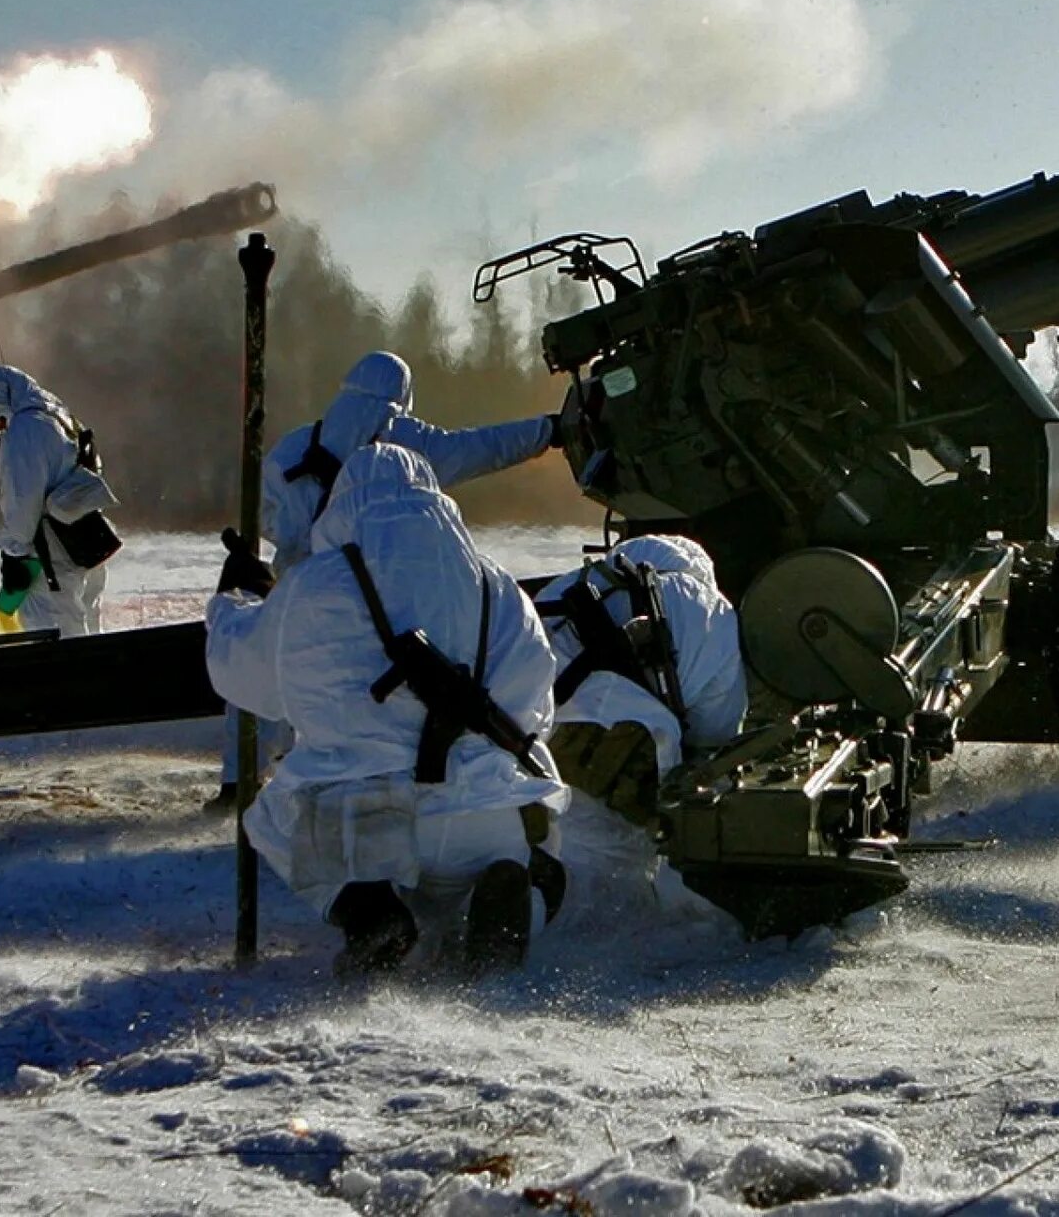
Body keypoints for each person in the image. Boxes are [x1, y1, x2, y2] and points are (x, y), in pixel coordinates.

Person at [205, 442, 567, 976]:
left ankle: (366, 909)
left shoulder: (313, 586)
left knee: (270, 817)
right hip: (484, 819)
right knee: (534, 861)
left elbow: (241, 678)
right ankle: (518, 906)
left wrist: (235, 604)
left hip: (365, 825)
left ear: (344, 505)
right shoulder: (498, 587)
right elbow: (537, 708)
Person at [535, 535, 749, 922]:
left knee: (564, 854)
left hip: (547, 748)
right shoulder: (711, 611)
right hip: (637, 752)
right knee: (620, 875)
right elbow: (715, 733)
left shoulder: (564, 587)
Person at [264, 353, 558, 572]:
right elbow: (482, 448)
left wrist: (295, 538)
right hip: (370, 590)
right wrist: (546, 431)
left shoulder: (294, 445)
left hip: (294, 590)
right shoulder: (403, 438)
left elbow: (261, 514)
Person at [0, 365, 120, 637]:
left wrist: (13, 553)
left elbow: (23, 499)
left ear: (1, 402)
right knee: (88, 618)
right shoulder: (61, 417)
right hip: (87, 538)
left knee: (52, 627)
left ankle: (66, 680)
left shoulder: (25, 429)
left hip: (51, 551)